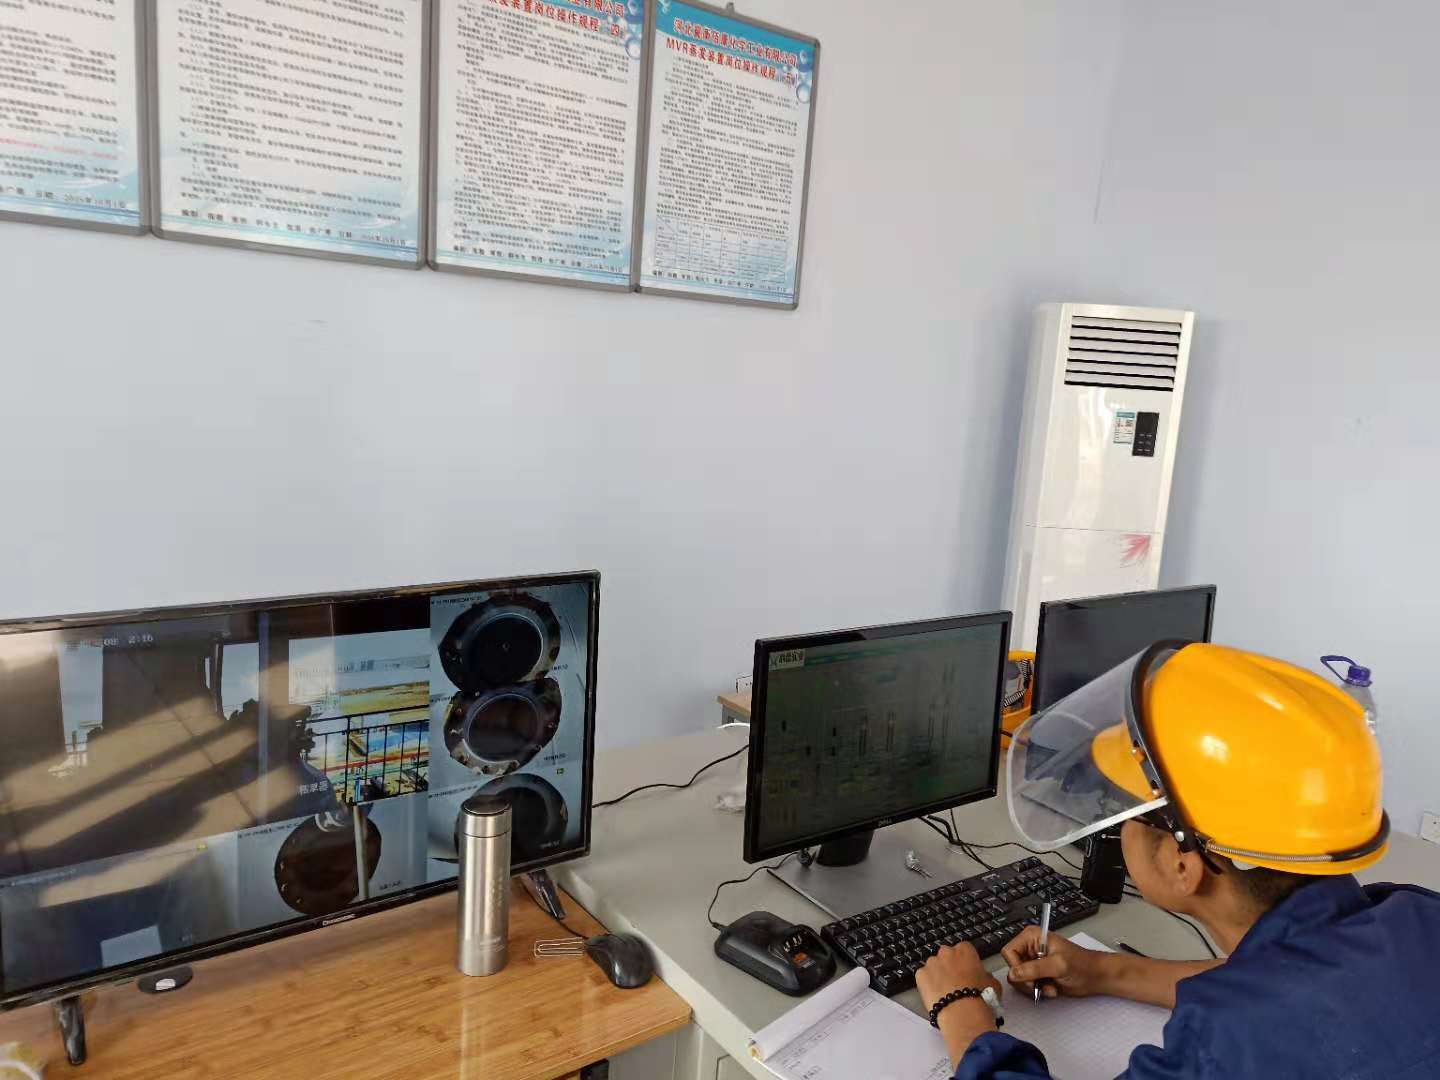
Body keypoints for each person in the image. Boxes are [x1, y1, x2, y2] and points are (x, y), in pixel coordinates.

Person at [913, 642, 1440, 1079]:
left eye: (1124, 810)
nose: (1118, 825)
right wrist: (1109, 970)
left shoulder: (1226, 1044)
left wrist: (964, 1011)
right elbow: (1302, 972)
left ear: (1183, 864)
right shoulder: (1418, 916)